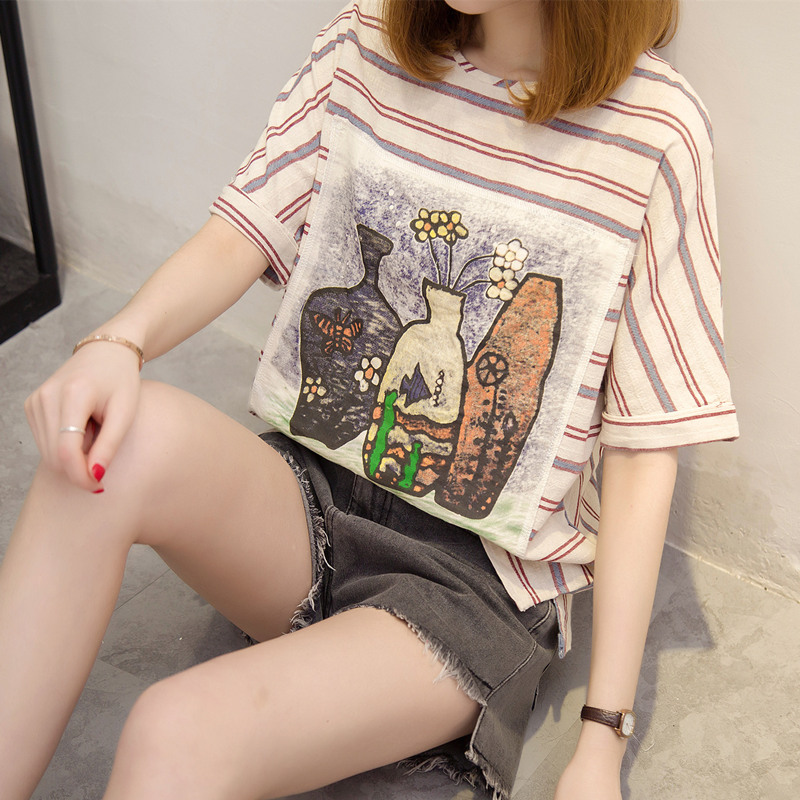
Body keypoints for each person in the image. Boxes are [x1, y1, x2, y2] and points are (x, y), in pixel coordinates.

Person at [0, 1, 738, 798]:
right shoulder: (366, 39)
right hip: (310, 501)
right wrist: (117, 343)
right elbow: (243, 230)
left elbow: (642, 448)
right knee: (102, 447)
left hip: (470, 587)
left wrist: (601, 740)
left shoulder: (655, 129)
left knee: (174, 729)